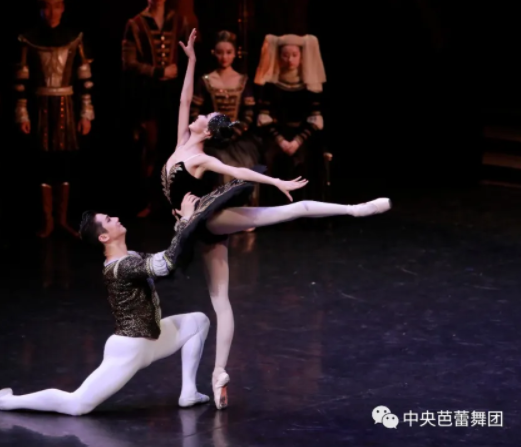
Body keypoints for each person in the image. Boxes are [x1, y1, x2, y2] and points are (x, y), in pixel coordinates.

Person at [161, 29, 391, 409]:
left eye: (203, 117)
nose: (197, 115)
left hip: (207, 220)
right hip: (194, 227)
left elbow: (239, 171)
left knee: (287, 212)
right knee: (220, 300)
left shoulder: (200, 157)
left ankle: (356, 209)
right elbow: (185, 98)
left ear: (206, 131)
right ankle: (218, 375)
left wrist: (275, 181)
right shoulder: (181, 143)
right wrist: (191, 60)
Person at [0, 193, 210, 416]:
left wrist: (186, 224)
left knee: (198, 322)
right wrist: (186, 221)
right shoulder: (121, 267)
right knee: (77, 405)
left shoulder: (131, 257)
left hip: (153, 339)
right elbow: (166, 263)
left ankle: (189, 392)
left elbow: (169, 260)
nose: (115, 218)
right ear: (104, 237)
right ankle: (3, 401)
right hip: (131, 348)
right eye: (108, 220)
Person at [15, 0, 94, 238]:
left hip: (66, 106)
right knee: (43, 163)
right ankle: (47, 221)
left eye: (56, 6)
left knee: (65, 162)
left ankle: (62, 219)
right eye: (47, 7)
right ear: (41, 9)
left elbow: (85, 79)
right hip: (40, 107)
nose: (52, 12)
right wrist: (22, 113)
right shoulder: (28, 39)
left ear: (63, 8)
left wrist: (86, 113)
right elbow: (21, 80)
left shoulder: (74, 38)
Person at [122, 0, 192, 217]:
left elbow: (190, 55)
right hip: (148, 94)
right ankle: (150, 201)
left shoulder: (179, 21)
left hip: (173, 94)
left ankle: (175, 202)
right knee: (150, 147)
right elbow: (128, 62)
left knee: (175, 147)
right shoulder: (135, 24)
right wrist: (157, 71)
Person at [190, 30, 261, 213]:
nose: (224, 57)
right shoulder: (205, 80)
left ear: (235, 53)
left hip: (238, 138)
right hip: (213, 137)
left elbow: (248, 115)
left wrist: (233, 133)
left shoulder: (242, 80)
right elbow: (195, 113)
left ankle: (245, 213)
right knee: (218, 164)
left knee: (245, 162)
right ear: (214, 53)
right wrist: (210, 132)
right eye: (220, 52)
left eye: (228, 52)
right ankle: (220, 212)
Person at [255, 34, 331, 202]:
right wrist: (281, 141)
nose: (290, 60)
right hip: (277, 136)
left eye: (294, 55)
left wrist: (297, 141)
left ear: (301, 57)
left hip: (303, 137)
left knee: (307, 160)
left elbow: (315, 119)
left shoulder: (310, 85)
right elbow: (264, 117)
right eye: (285, 55)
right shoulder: (271, 86)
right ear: (279, 57)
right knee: (272, 160)